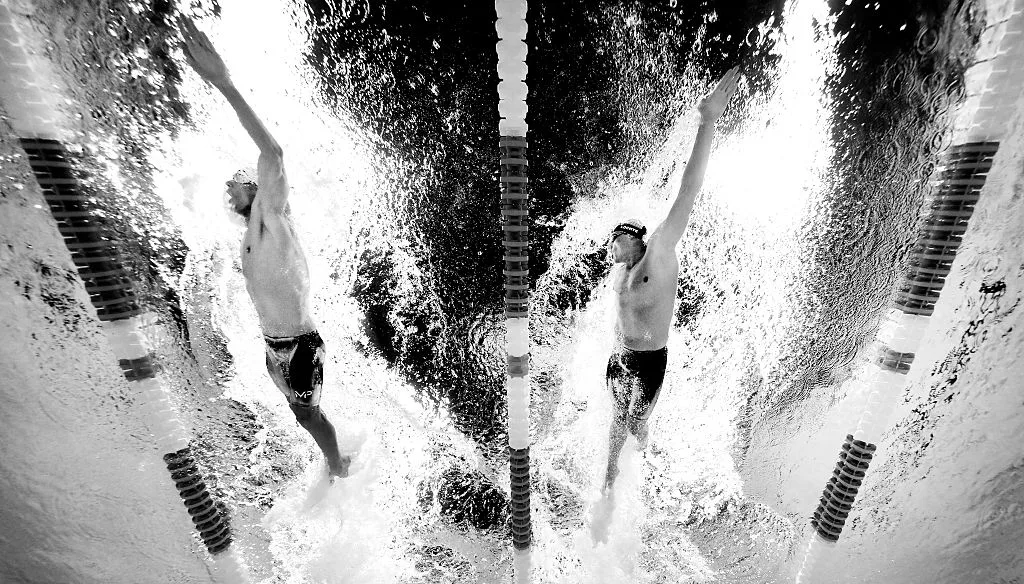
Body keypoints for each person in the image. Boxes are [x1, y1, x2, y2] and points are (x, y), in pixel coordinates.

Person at [180, 18, 350, 478]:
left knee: (310, 416)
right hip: (273, 346)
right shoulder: (246, 236)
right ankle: (336, 462)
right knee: (303, 417)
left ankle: (340, 469)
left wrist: (224, 84)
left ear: (257, 187)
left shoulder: (272, 213)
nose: (228, 188)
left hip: (299, 345)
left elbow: (273, 152)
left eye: (236, 181)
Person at [602, 68, 740, 494]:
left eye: (619, 240)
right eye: (613, 242)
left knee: (634, 425)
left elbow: (688, 190)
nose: (614, 248)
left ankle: (642, 453)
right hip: (620, 356)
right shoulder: (620, 271)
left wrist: (708, 120)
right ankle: (607, 484)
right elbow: (619, 315)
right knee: (615, 421)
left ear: (636, 237)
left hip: (650, 361)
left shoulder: (658, 253)